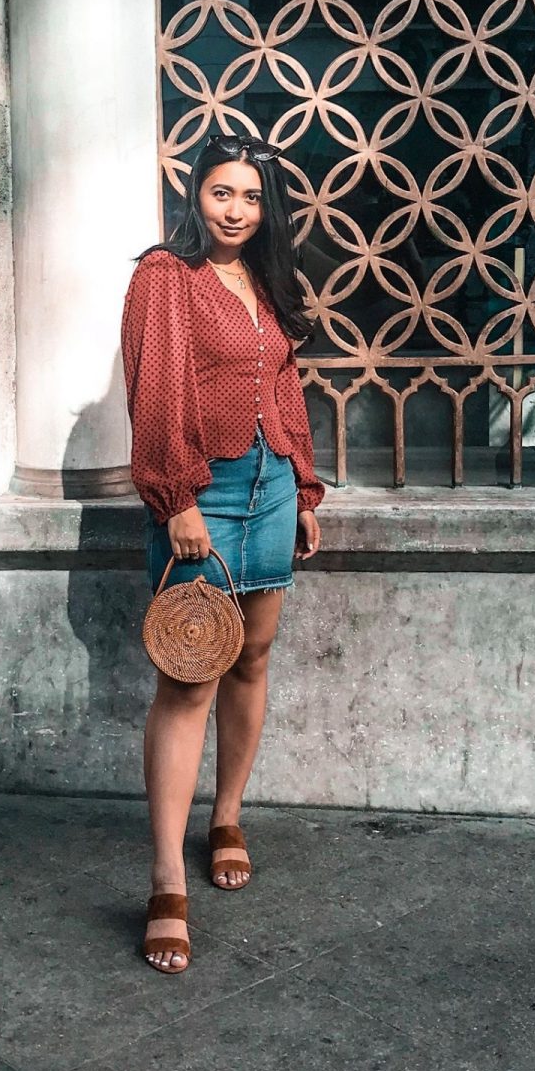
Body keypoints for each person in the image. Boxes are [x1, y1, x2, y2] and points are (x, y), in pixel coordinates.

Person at [120, 133, 324, 974]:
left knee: (253, 658)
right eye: (220, 194)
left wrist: (306, 490)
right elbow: (155, 388)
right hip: (205, 487)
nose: (234, 211)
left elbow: (283, 385)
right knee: (189, 673)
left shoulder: (266, 281)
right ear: (194, 195)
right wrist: (179, 499)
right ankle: (167, 877)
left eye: (248, 197)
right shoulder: (165, 276)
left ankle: (228, 814)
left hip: (272, 481)